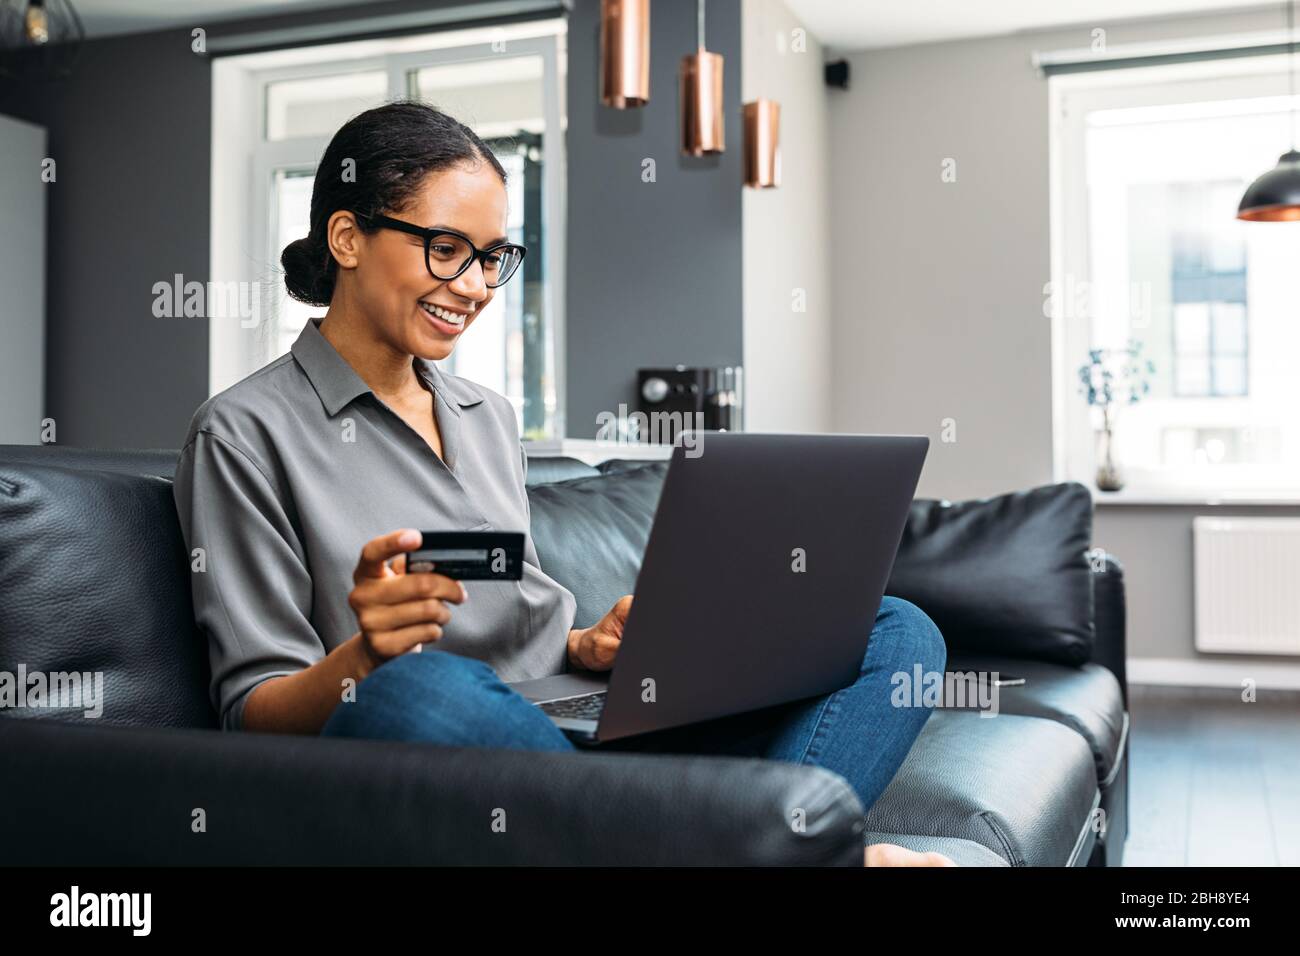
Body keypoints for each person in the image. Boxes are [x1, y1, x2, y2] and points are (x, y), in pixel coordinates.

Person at [173, 102, 954, 867]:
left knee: (895, 629)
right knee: (420, 689)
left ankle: (724, 844)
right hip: (440, 740)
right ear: (347, 237)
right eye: (447, 248)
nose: (476, 287)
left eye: (491, 257)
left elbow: (516, 612)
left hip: (578, 726)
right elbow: (254, 715)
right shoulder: (243, 433)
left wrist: (592, 645)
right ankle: (782, 852)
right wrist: (369, 658)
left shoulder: (486, 416)